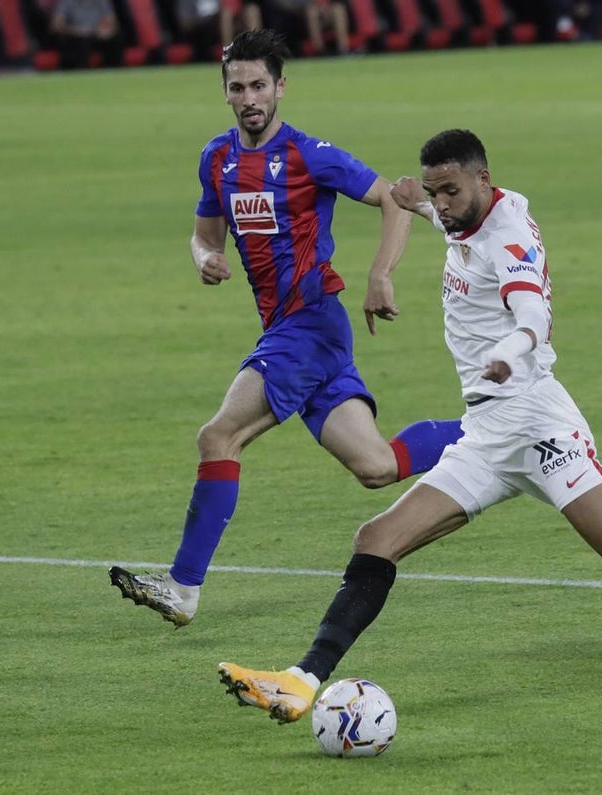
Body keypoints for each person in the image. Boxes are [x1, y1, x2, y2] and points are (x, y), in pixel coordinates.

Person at [216, 129, 602, 723]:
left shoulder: (509, 237)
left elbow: (533, 313)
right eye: (436, 192)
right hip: (486, 433)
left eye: (451, 192)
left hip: (536, 423)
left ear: (483, 180)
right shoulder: (461, 214)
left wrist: (511, 350)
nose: (440, 205)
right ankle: (300, 680)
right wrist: (410, 210)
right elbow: (428, 206)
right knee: (376, 539)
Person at [108, 31, 463, 627]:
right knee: (376, 466)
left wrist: (381, 273)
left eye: (259, 85)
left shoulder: (308, 155)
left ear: (280, 88)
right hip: (291, 330)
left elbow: (393, 198)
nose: (249, 97)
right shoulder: (216, 160)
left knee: (218, 437)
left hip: (310, 322)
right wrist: (205, 260)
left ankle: (183, 587)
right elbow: (204, 235)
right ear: (224, 93)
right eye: (237, 87)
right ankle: (499, 435)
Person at [173, 0, 263, 60]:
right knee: (225, 13)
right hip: (200, 27)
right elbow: (184, 23)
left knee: (252, 10)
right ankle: (229, 53)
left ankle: (255, 52)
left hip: (223, 23)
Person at [48, 0, 123, 69]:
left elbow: (113, 23)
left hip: (96, 34)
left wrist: (107, 30)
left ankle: (112, 70)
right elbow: (56, 26)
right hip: (76, 35)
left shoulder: (101, 1)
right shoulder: (67, 2)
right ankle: (83, 72)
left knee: (115, 39)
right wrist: (76, 30)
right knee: (82, 42)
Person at [265, 0, 351, 56]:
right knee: (312, 12)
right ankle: (319, 51)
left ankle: (344, 50)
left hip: (326, 8)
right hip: (302, 10)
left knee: (338, 9)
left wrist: (324, 8)